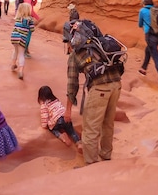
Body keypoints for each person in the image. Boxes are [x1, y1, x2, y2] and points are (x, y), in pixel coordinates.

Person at [65, 19, 123, 165]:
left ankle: (91, 165)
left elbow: (72, 84)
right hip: (116, 85)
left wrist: (68, 109)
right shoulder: (98, 44)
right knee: (108, 123)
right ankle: (106, 154)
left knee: (90, 128)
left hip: (100, 89)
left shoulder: (75, 55)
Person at [38, 85, 82, 153]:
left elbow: (44, 116)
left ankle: (62, 136)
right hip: (65, 117)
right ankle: (79, 143)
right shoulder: (56, 100)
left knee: (52, 128)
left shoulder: (44, 104)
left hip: (57, 121)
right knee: (71, 130)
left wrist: (44, 125)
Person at [10, 3, 35, 79]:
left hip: (14, 37)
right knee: (21, 54)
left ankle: (13, 65)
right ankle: (20, 71)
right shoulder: (30, 20)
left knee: (15, 51)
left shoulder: (17, 18)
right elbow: (32, 29)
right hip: (22, 38)